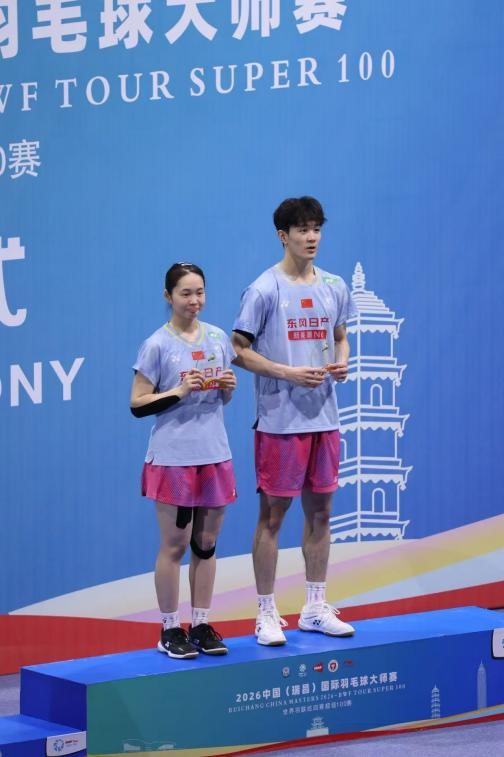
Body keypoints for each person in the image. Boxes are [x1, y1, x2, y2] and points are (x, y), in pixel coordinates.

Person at [231, 196, 356, 646]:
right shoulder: (264, 289)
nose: (311, 237)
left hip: (325, 418)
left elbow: (341, 335)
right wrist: (287, 373)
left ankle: (315, 607)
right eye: (302, 229)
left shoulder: (334, 285)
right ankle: (266, 612)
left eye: (316, 228)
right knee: (272, 517)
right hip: (280, 423)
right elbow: (238, 350)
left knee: (321, 513)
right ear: (283, 236)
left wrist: (341, 361)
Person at [130, 262, 237, 659]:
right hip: (173, 458)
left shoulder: (219, 338)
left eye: (200, 292)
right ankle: (169, 628)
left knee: (206, 544)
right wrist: (178, 391)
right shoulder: (157, 344)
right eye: (186, 293)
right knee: (175, 545)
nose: (195, 301)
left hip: (215, 454)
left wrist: (228, 386)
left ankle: (202, 624)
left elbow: (222, 398)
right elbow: (137, 403)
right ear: (168, 296)